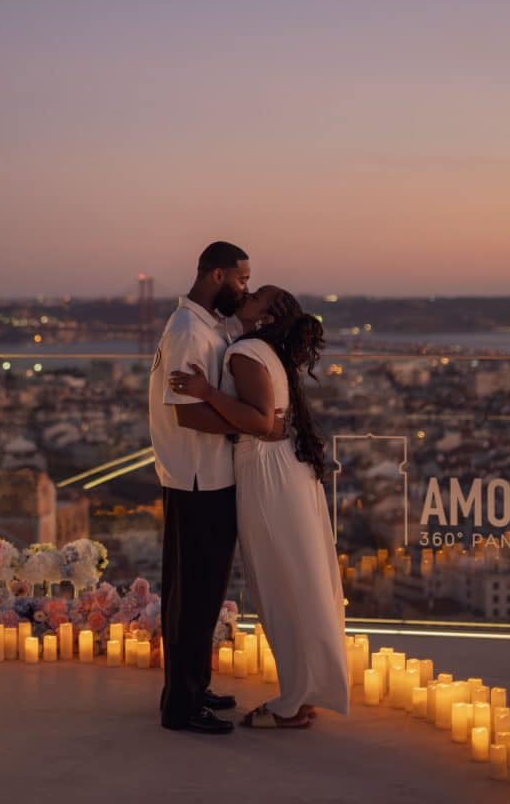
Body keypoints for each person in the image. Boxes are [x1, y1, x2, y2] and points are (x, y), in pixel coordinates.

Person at [170, 286, 349, 729]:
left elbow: (259, 421)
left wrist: (205, 392)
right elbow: (271, 421)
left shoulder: (246, 351)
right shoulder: (268, 351)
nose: (247, 293)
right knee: (298, 577)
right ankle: (302, 691)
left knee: (277, 583)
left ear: (265, 316)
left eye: (257, 294)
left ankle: (292, 700)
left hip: (267, 473)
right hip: (285, 469)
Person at [149, 242, 286, 735]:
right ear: (215, 274)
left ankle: (192, 686)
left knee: (204, 593)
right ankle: (181, 707)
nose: (245, 288)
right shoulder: (188, 331)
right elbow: (185, 411)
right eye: (242, 280)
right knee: (193, 595)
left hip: (208, 476)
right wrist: (245, 428)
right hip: (196, 478)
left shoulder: (210, 326)